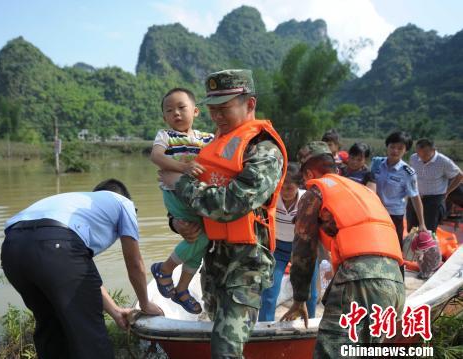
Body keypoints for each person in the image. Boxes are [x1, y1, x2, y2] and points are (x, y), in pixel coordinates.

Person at [160, 69, 286, 358]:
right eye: (212, 110)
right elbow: (192, 206)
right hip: (214, 262)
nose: (217, 117)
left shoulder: (264, 150)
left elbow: (230, 205)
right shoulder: (212, 144)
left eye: (224, 109)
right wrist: (176, 223)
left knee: (225, 351)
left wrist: (180, 184)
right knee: (218, 338)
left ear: (250, 104)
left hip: (245, 265)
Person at [0, 179, 163, 359]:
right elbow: (134, 264)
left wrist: (115, 311)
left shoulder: (74, 204)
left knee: (50, 327)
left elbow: (77, 269)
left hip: (12, 249)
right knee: (89, 337)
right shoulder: (124, 204)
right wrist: (145, 303)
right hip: (57, 245)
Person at [281, 142, 405, 358]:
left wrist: (300, 297)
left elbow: (303, 249)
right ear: (335, 167)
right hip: (395, 283)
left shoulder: (315, 192)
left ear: (309, 172)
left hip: (360, 280)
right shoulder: (364, 191)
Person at [150, 87, 214, 314]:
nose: (176, 113)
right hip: (175, 194)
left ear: (195, 111)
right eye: (169, 110)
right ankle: (164, 270)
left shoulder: (208, 138)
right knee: (201, 236)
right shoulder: (165, 136)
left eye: (181, 107)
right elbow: (156, 156)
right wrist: (183, 168)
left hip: (198, 196)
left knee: (199, 242)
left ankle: (182, 288)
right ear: (165, 117)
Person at [258, 163, 319, 321]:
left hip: (304, 250)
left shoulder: (308, 200)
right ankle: (265, 327)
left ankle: (310, 325)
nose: (285, 192)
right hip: (278, 249)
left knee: (311, 295)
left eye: (290, 188)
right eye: (282, 187)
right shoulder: (271, 197)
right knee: (270, 292)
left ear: (299, 185)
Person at [371, 131, 427, 277]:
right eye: (392, 146)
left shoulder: (408, 172)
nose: (395, 151)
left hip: (394, 216)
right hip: (374, 214)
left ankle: (398, 281)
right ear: (387, 146)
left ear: (406, 151)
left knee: (395, 250)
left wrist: (422, 223)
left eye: (400, 148)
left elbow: (415, 197)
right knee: (374, 247)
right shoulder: (376, 163)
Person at [406, 138, 463, 233]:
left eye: (425, 154)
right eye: (419, 153)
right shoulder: (413, 158)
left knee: (428, 230)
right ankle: (412, 247)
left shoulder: (443, 161)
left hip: (434, 199)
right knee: (412, 228)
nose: (421, 156)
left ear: (433, 150)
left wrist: (447, 192)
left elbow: (459, 176)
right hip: (416, 197)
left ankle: (427, 247)